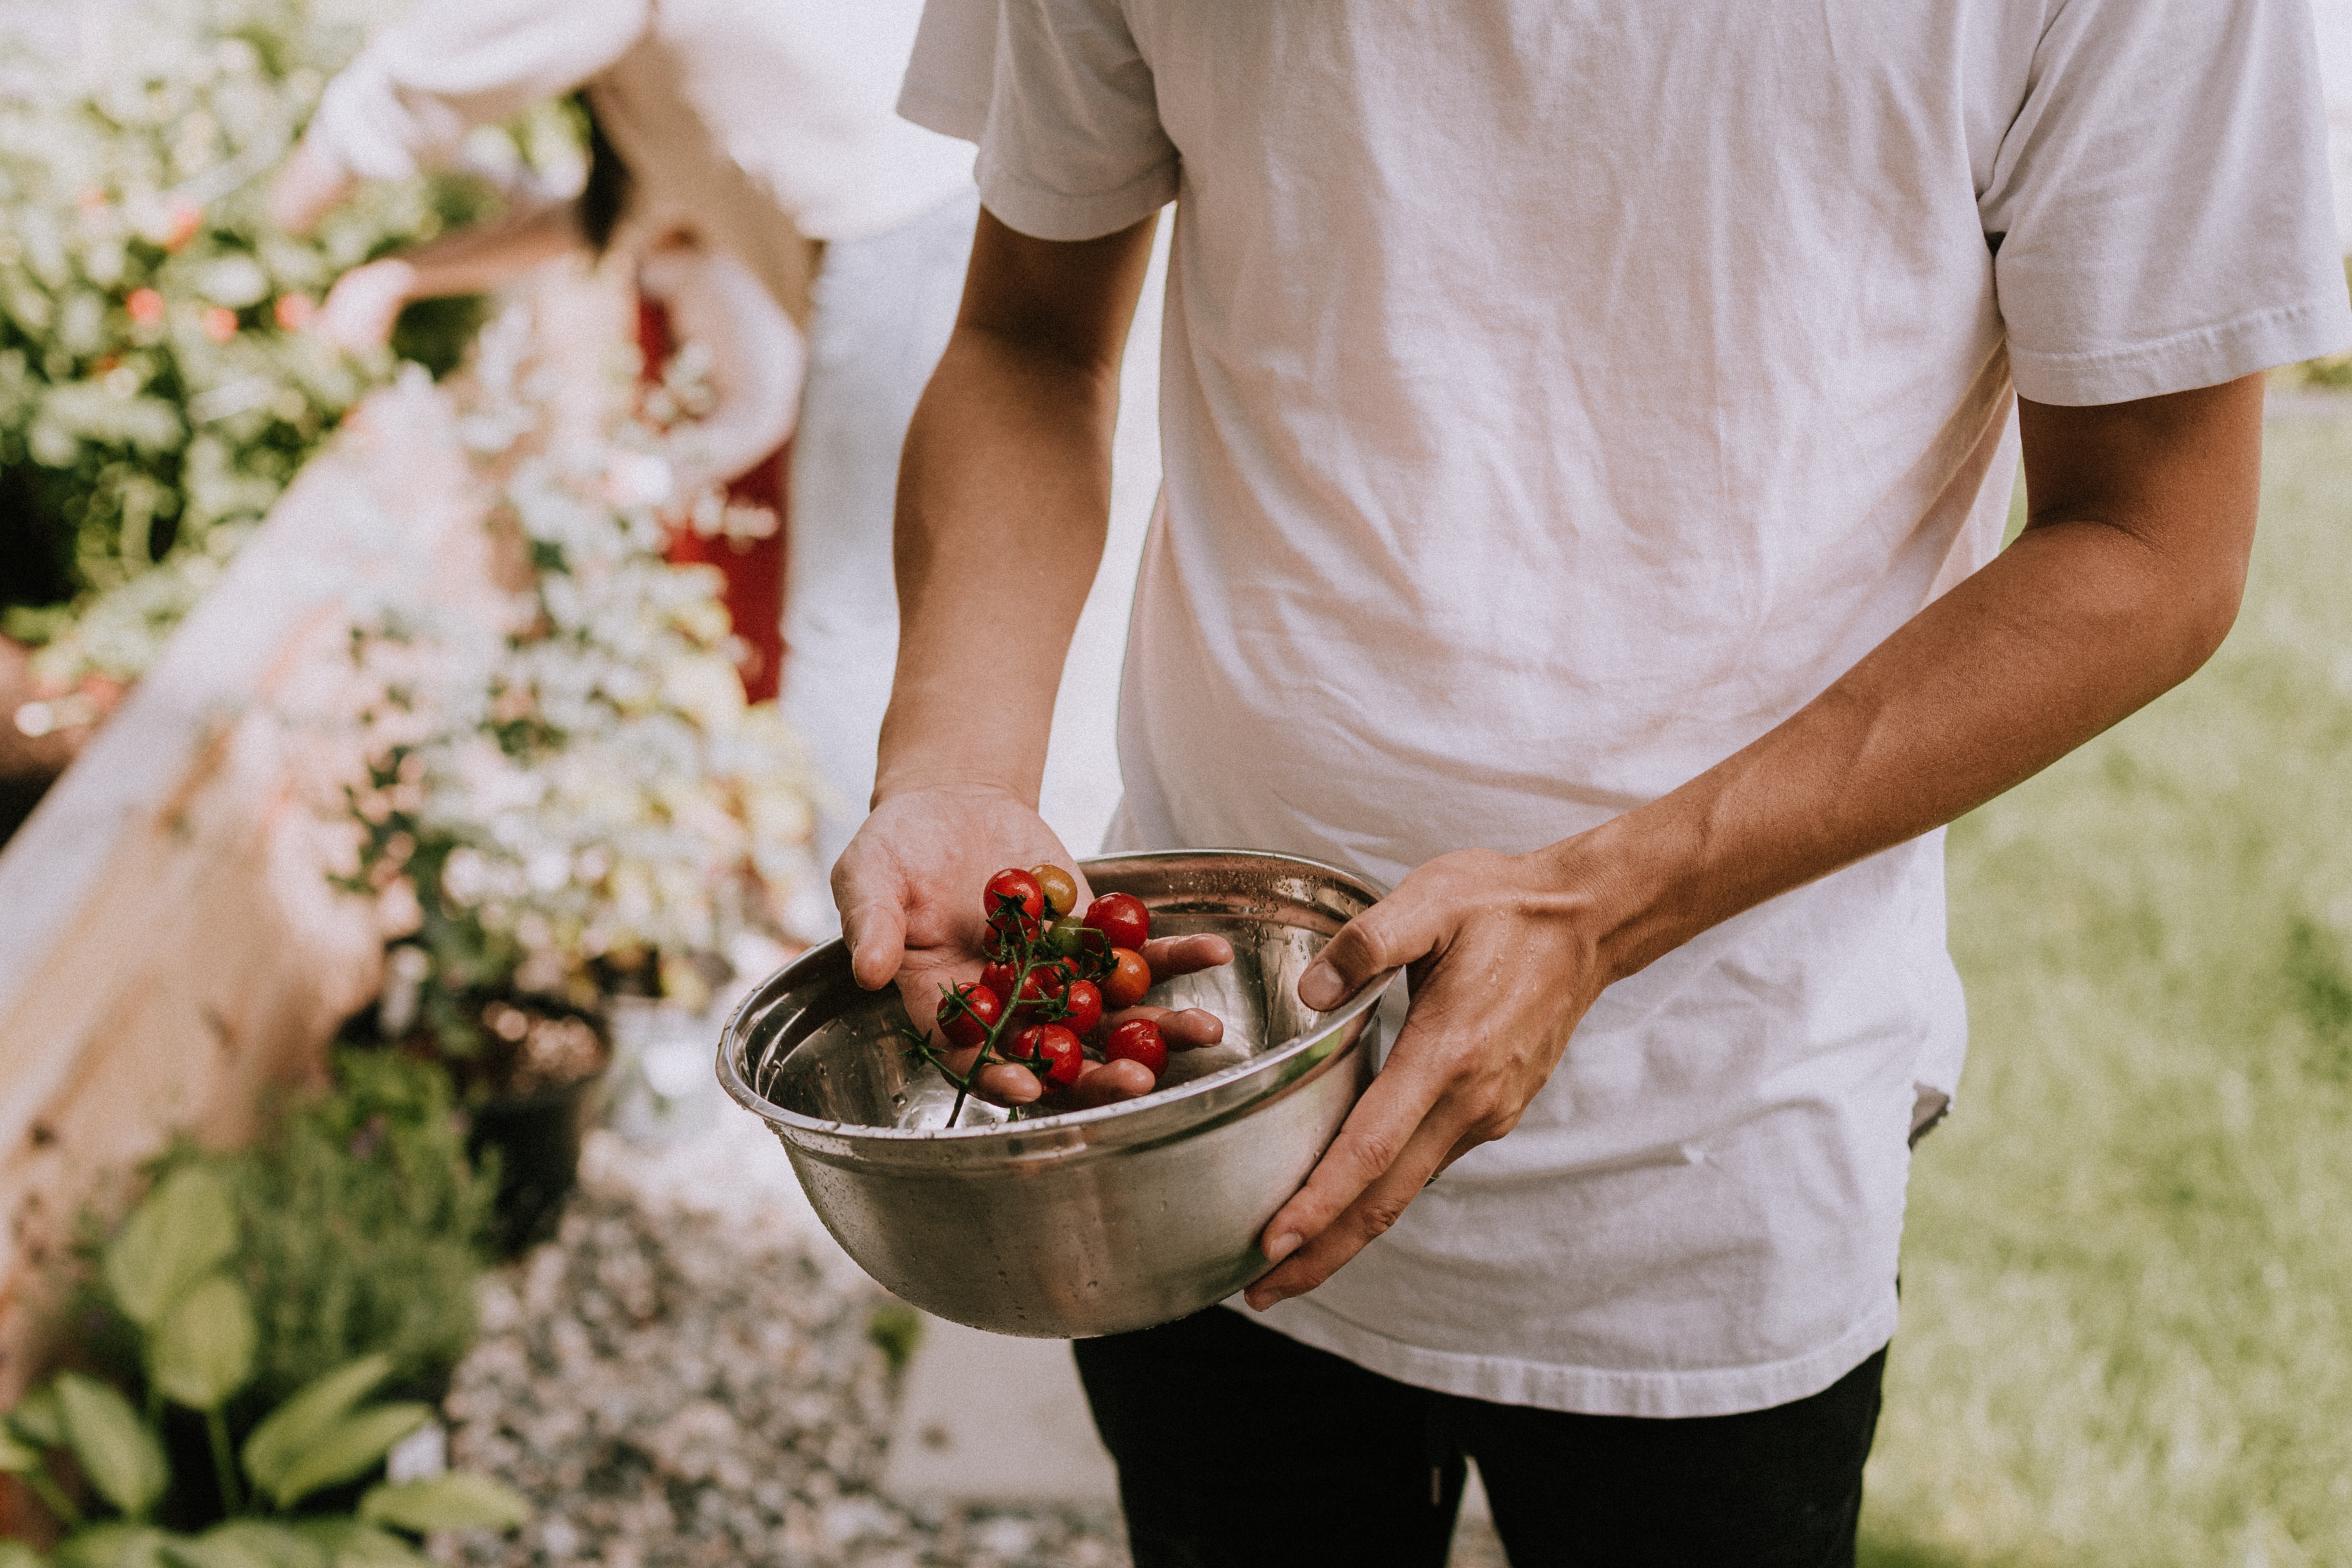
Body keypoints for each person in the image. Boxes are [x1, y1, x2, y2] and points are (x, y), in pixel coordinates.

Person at [837, 0, 2352, 1562]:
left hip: (1708, 1137)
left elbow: (2152, 541)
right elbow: (1029, 332)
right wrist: (957, 760)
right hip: (1195, 1083)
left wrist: (1606, 906)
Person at [270, 0, 980, 897]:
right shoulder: (662, 81)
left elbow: (426, 79)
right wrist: (401, 274)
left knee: (849, 628)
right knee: (885, 619)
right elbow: (609, 214)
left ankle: (867, 949)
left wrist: (294, 197)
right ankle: (891, 922)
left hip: (910, 232)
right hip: (919, 222)